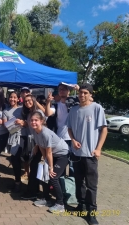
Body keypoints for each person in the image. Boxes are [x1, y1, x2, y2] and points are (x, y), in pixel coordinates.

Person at [67, 83, 107, 225]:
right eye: (81, 93)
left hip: (90, 154)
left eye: (85, 93)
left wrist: (99, 148)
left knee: (91, 185)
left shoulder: (97, 108)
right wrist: (72, 140)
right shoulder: (73, 110)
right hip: (77, 154)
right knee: (79, 182)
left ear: (90, 94)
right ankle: (81, 204)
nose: (82, 95)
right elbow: (69, 128)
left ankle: (92, 213)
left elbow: (104, 129)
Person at [30, 111, 69, 213]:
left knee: (53, 177)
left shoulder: (46, 133)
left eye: (36, 120)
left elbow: (49, 152)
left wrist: (51, 167)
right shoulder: (35, 131)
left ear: (42, 121)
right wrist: (46, 162)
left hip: (63, 154)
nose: (33, 122)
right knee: (44, 174)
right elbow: (42, 147)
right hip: (52, 155)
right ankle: (46, 199)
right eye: (32, 120)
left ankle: (60, 204)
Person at [2, 91, 28, 193]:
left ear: (18, 99)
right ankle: (17, 182)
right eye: (10, 97)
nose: (12, 99)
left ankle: (22, 183)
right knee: (15, 160)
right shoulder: (6, 111)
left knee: (22, 159)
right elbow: (6, 126)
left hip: (23, 137)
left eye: (14, 97)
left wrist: (22, 123)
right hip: (12, 138)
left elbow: (28, 123)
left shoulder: (22, 109)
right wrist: (19, 124)